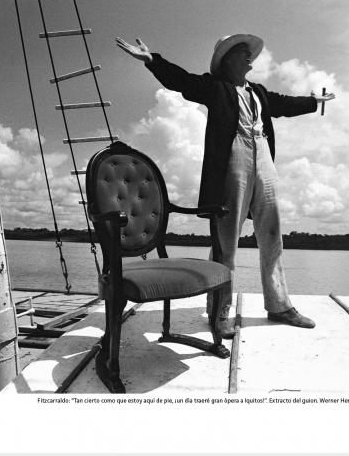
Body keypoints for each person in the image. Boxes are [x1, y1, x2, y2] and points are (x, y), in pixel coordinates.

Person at [115, 34, 336, 338]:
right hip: (234, 155)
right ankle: (219, 311)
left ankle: (279, 305)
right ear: (227, 59)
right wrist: (152, 60)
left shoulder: (258, 92)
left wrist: (314, 102)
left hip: (263, 154)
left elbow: (284, 103)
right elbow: (183, 81)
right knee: (226, 239)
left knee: (272, 234)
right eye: (243, 52)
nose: (250, 57)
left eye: (249, 52)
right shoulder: (216, 88)